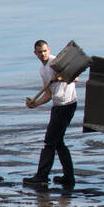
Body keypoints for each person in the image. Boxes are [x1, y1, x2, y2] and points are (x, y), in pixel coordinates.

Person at [22, 40, 77, 188]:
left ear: (49, 49)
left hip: (67, 105)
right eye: (40, 52)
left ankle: (41, 177)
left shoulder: (56, 62)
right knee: (58, 143)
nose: (43, 54)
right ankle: (69, 178)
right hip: (57, 106)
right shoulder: (42, 69)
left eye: (45, 51)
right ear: (35, 53)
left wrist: (60, 77)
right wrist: (35, 104)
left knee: (49, 142)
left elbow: (75, 76)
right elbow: (48, 94)